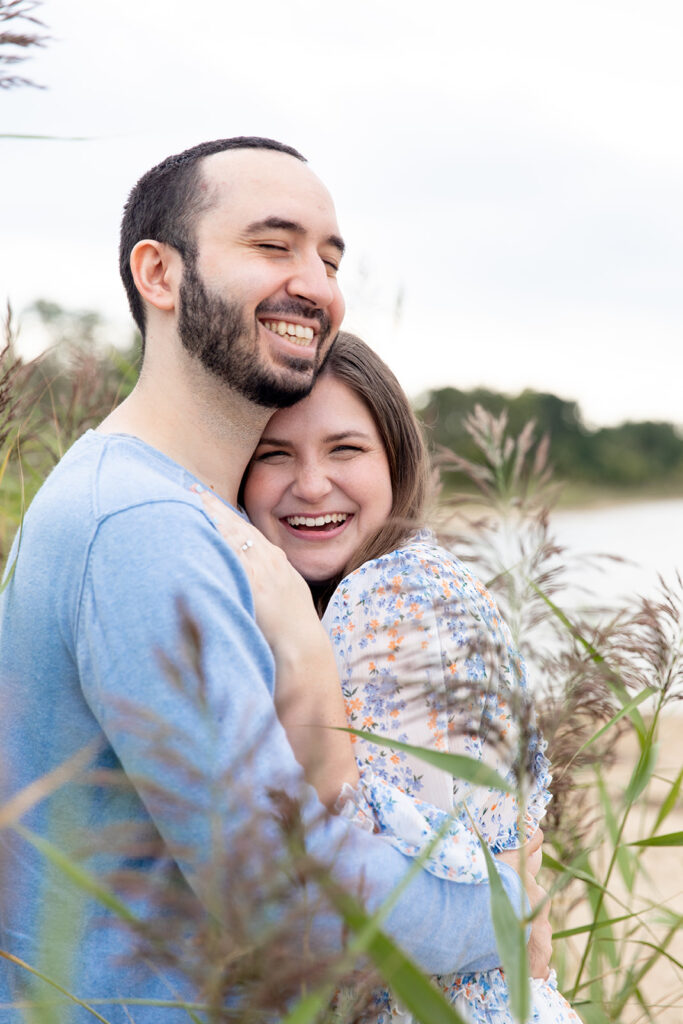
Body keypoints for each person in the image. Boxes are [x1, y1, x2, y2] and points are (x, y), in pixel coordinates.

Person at [0, 138, 543, 1022]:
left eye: (330, 257)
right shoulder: (145, 526)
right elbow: (280, 899)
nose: (316, 282)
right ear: (161, 273)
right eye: (272, 243)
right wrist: (504, 910)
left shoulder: (127, 493)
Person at [200, 331, 581, 1023]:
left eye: (345, 449)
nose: (311, 484)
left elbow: (385, 905)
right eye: (273, 454)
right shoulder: (413, 583)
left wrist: (306, 662)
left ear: (396, 461)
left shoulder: (393, 597)